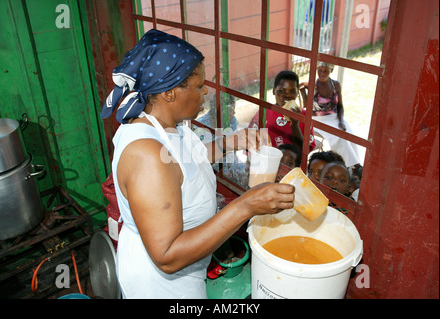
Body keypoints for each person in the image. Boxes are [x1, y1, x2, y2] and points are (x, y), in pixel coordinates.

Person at [100, 29, 295, 299]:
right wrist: (246, 205)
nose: (206, 90)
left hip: (187, 273)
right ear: (169, 92)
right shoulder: (147, 155)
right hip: (161, 287)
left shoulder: (165, 125)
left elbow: (182, 163)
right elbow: (166, 256)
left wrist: (229, 142)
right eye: (198, 85)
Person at [299, 62, 362, 167]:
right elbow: (305, 106)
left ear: (331, 71)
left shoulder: (335, 85)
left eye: (326, 71)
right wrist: (303, 90)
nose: (322, 73)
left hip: (334, 117)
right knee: (339, 138)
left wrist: (341, 121)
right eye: (320, 70)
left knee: (350, 136)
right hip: (318, 119)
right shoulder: (313, 86)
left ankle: (354, 164)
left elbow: (340, 106)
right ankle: (348, 166)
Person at [249, 71, 316, 153]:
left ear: (297, 92)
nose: (287, 95)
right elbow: (250, 144)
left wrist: (295, 125)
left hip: (292, 165)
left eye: (292, 91)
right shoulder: (263, 113)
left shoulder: (304, 116)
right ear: (274, 91)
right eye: (281, 90)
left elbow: (304, 151)